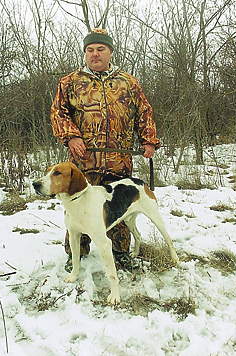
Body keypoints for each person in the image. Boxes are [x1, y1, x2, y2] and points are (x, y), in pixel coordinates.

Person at [50, 28, 161, 271]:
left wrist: (149, 140)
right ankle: (76, 254)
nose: (95, 54)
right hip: (83, 161)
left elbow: (144, 112)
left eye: (100, 49)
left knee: (120, 209)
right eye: (90, 50)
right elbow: (58, 113)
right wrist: (71, 137)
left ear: (110, 51)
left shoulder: (128, 83)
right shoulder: (69, 82)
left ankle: (121, 252)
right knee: (79, 207)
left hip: (119, 160)